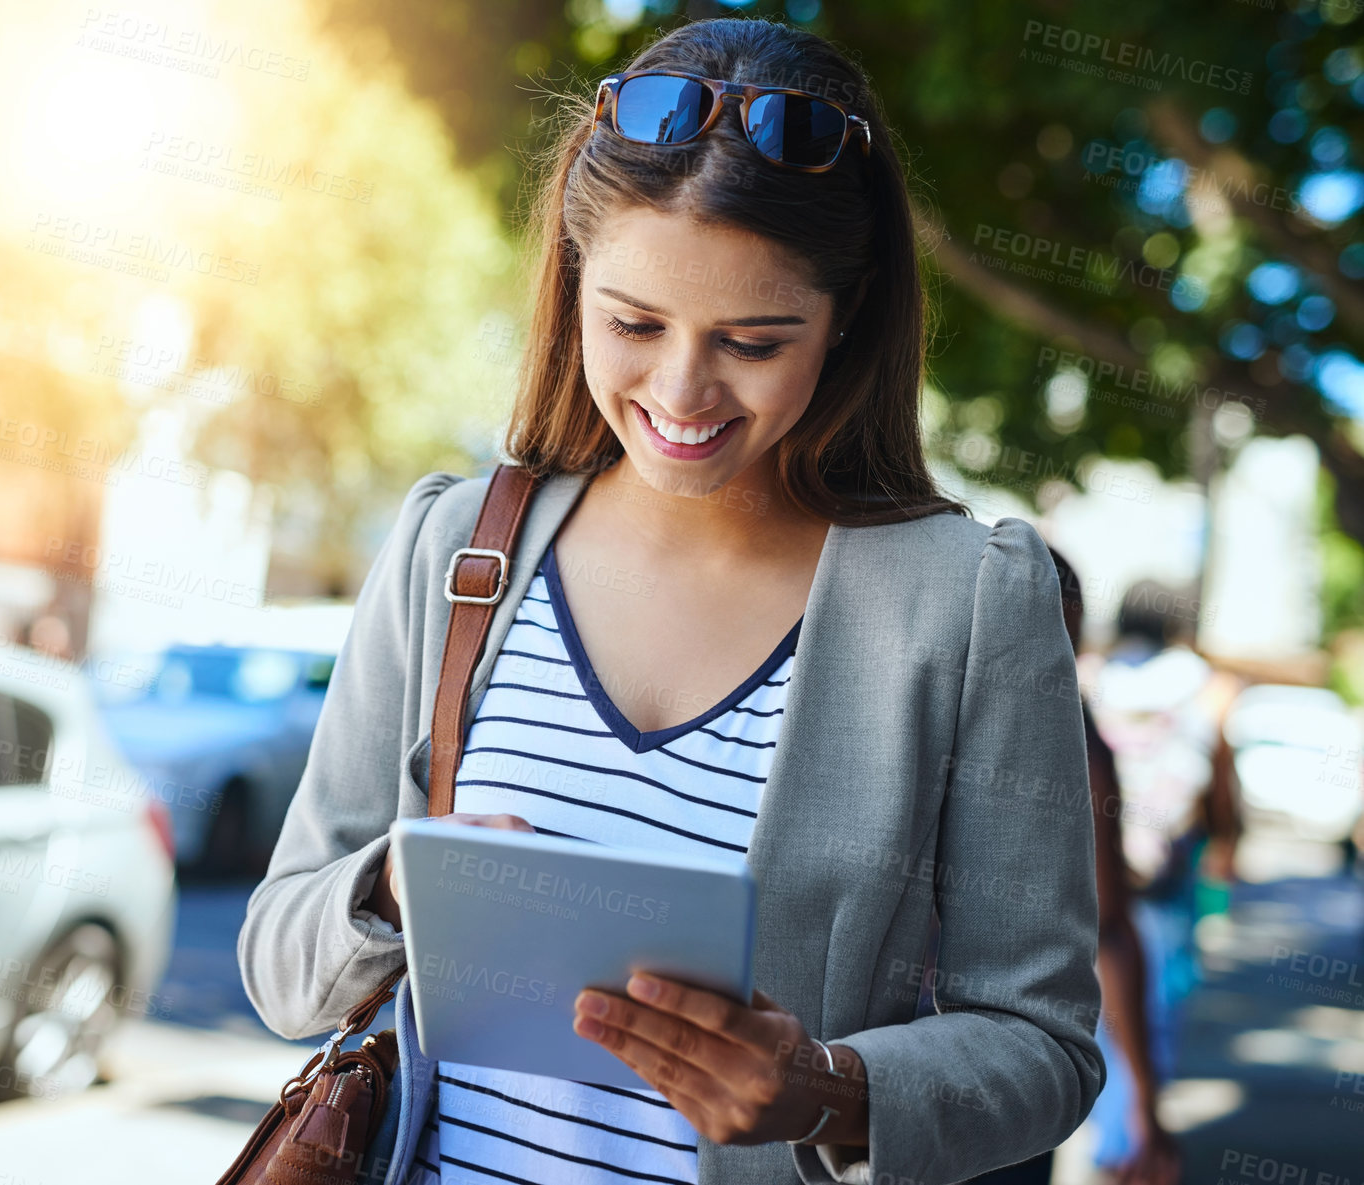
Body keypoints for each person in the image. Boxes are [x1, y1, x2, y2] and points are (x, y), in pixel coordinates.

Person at [239, 19, 1104, 1185]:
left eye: (753, 341)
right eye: (634, 324)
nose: (683, 394)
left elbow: (1045, 1049)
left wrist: (829, 1092)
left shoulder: (970, 605)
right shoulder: (456, 552)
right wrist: (397, 884)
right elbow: (280, 961)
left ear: (845, 319)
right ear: (572, 281)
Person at [1076, 579, 1242, 1179]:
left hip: (1096, 865)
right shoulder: (1206, 685)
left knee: (1100, 1005)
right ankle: (1132, 1141)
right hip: (1167, 872)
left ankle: (1111, 1135)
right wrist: (1227, 842)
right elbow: (1220, 781)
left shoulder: (1091, 677)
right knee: (1153, 1003)